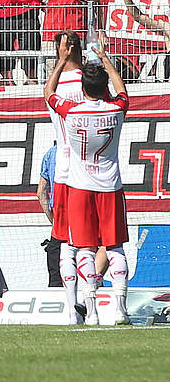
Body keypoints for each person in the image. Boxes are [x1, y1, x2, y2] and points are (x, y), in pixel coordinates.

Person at [45, 35, 132, 325]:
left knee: (78, 247)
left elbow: (49, 93)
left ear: (82, 88)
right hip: (110, 185)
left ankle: (85, 311)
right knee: (116, 247)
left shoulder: (71, 110)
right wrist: (105, 57)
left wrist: (59, 63)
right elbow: (122, 92)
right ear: (104, 86)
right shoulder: (116, 109)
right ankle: (120, 309)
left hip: (75, 184)